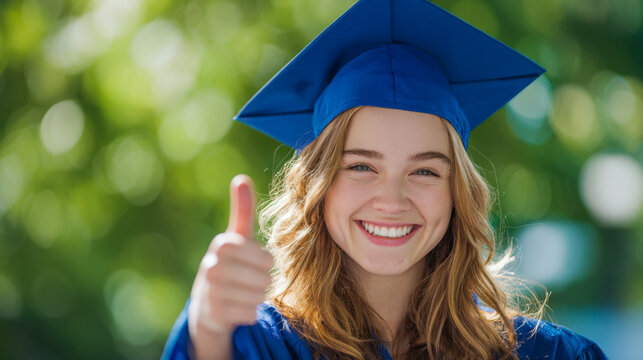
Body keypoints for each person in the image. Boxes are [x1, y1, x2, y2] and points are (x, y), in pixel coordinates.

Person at [162, 0, 608, 359]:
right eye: (361, 166)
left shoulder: (544, 354)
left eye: (425, 171)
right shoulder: (257, 346)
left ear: (458, 192)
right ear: (318, 184)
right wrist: (207, 330)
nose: (391, 200)